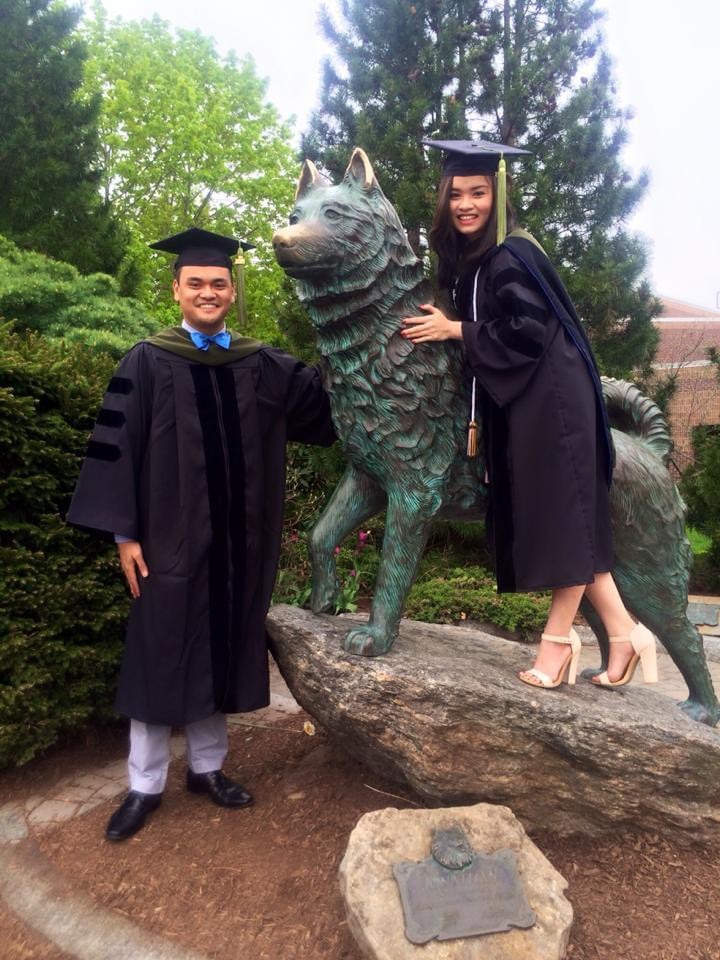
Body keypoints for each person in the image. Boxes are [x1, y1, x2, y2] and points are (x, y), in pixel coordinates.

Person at [67, 228, 335, 841]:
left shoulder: (258, 362)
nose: (208, 293)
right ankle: (144, 783)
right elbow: (117, 449)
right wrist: (123, 536)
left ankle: (208, 770)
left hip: (238, 544)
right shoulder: (146, 359)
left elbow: (325, 404)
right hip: (165, 541)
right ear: (177, 290)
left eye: (218, 284)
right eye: (197, 284)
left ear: (231, 289)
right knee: (161, 652)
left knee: (221, 644)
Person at [400, 140, 657, 692]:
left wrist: (457, 331)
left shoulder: (510, 254)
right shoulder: (477, 261)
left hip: (552, 403)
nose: (466, 204)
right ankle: (624, 633)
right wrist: (452, 320)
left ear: (497, 195)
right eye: (456, 194)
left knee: (562, 523)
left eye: (478, 192)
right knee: (571, 523)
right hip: (533, 400)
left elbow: (528, 332)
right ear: (443, 201)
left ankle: (557, 642)